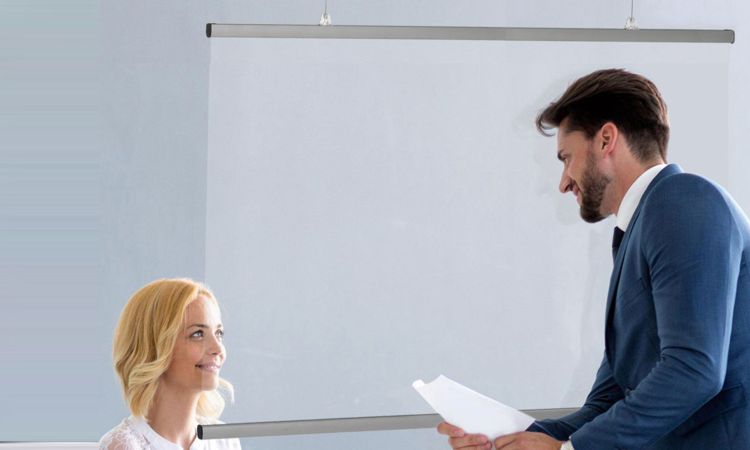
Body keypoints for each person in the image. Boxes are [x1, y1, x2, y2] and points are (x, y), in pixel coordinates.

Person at [437, 69, 750, 449]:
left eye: (566, 158)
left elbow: (694, 369)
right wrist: (504, 439)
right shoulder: (638, 228)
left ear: (606, 140)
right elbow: (609, 399)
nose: (564, 181)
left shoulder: (684, 201)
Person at [100, 278, 241, 450]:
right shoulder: (125, 445)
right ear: (154, 347)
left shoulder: (224, 441)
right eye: (197, 334)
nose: (218, 349)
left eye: (219, 333)